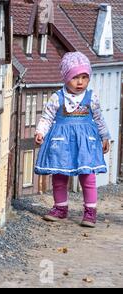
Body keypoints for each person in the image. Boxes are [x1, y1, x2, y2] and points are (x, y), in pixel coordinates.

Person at [34, 52, 111, 228]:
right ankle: (60, 208)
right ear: (66, 77)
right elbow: (47, 117)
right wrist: (40, 132)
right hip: (62, 142)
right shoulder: (57, 97)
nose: (80, 82)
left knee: (88, 177)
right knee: (60, 176)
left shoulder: (91, 98)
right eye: (75, 77)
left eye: (85, 77)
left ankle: (90, 212)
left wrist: (105, 136)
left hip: (86, 142)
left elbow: (99, 118)